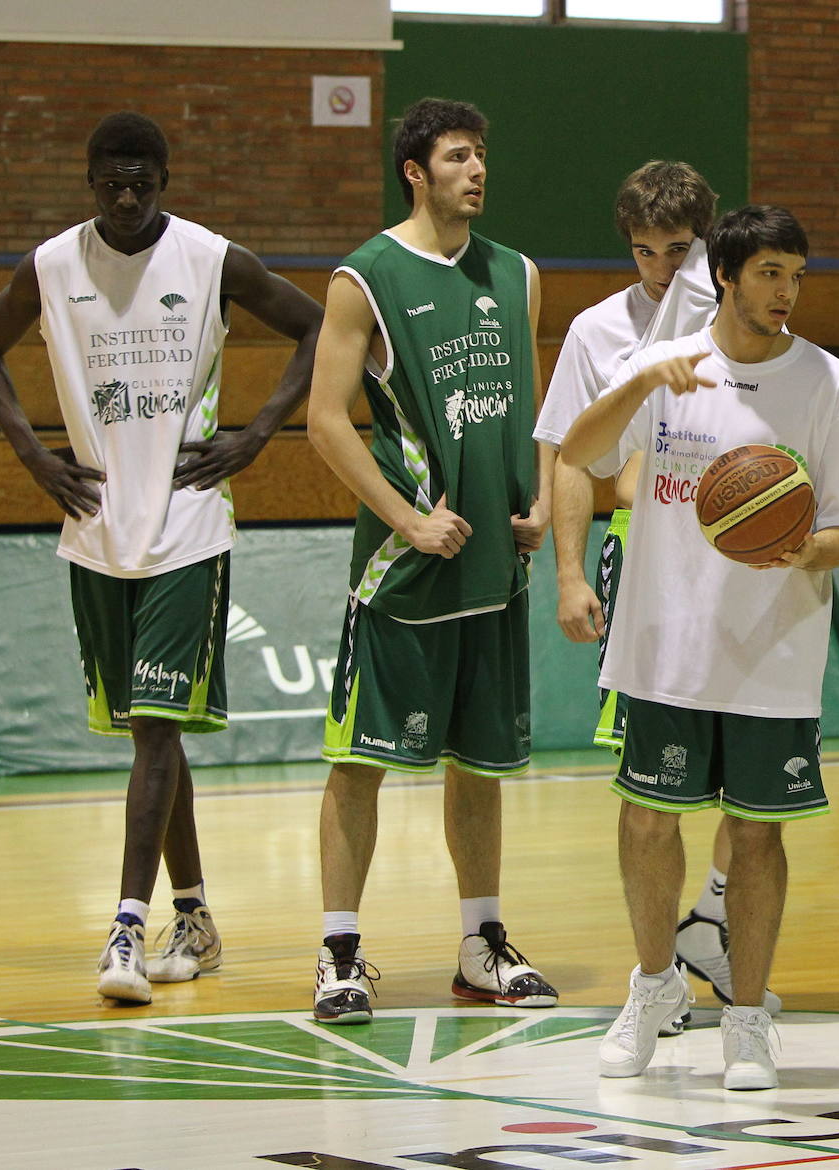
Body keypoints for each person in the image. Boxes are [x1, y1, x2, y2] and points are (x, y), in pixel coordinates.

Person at [0, 112, 323, 1004]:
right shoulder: (51, 265)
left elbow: (320, 327)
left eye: (142, 182)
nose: (126, 198)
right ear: (90, 181)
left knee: (157, 731)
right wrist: (34, 456)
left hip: (188, 524)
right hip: (95, 528)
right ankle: (194, 914)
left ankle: (125, 926)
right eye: (111, 183)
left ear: (164, 180)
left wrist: (259, 433)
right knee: (149, 735)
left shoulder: (210, 257)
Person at [562, 205, 839, 1090]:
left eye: (796, 275)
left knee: (755, 836)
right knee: (645, 818)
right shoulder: (661, 370)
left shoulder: (830, 386)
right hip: (666, 641)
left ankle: (746, 1017)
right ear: (727, 277)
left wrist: (800, 546)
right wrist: (635, 387)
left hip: (771, 652)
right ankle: (655, 987)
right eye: (770, 274)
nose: (785, 292)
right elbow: (583, 456)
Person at [306, 98, 554, 1024]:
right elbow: (325, 422)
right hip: (404, 570)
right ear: (416, 170)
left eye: (482, 155)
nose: (476, 170)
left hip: (495, 566)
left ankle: (481, 945)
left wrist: (532, 499)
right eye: (458, 156)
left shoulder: (518, 275)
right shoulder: (362, 278)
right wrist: (407, 520)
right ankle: (339, 952)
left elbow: (528, 401)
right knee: (358, 762)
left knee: (481, 764)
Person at [533, 161, 778, 1018]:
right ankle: (658, 978)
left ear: (708, 242)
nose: (662, 270)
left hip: (744, 569)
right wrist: (567, 572)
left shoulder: (748, 315)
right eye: (644, 251)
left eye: (678, 250)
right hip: (647, 563)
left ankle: (711, 912)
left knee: (751, 783)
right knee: (652, 790)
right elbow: (572, 455)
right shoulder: (599, 332)